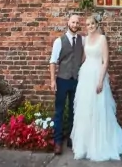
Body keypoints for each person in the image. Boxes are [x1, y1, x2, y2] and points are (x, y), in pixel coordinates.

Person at [70, 14, 122, 161]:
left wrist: (100, 80)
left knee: (99, 109)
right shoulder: (85, 39)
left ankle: (101, 143)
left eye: (92, 24)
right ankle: (86, 145)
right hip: (86, 76)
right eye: (87, 24)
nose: (90, 26)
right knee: (86, 109)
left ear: (97, 25)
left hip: (97, 75)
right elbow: (83, 58)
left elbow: (105, 61)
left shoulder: (102, 39)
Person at [49, 13, 84, 155]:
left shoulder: (83, 40)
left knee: (73, 111)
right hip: (62, 80)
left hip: (76, 81)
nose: (75, 25)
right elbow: (52, 62)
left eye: (77, 22)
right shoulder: (59, 41)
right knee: (59, 111)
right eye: (73, 22)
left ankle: (71, 137)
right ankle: (57, 142)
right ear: (68, 23)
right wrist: (52, 80)